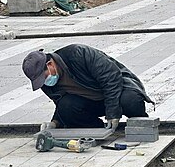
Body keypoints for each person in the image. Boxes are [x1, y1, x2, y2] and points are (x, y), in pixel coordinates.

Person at [22, 44, 154, 131]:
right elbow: (61, 104)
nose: (44, 82)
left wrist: (113, 113)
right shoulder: (45, 83)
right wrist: (55, 123)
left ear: (50, 65)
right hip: (92, 103)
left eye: (43, 77)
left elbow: (112, 79)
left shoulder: (79, 54)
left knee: (130, 100)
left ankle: (142, 125)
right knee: (68, 108)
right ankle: (99, 130)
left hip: (118, 92)